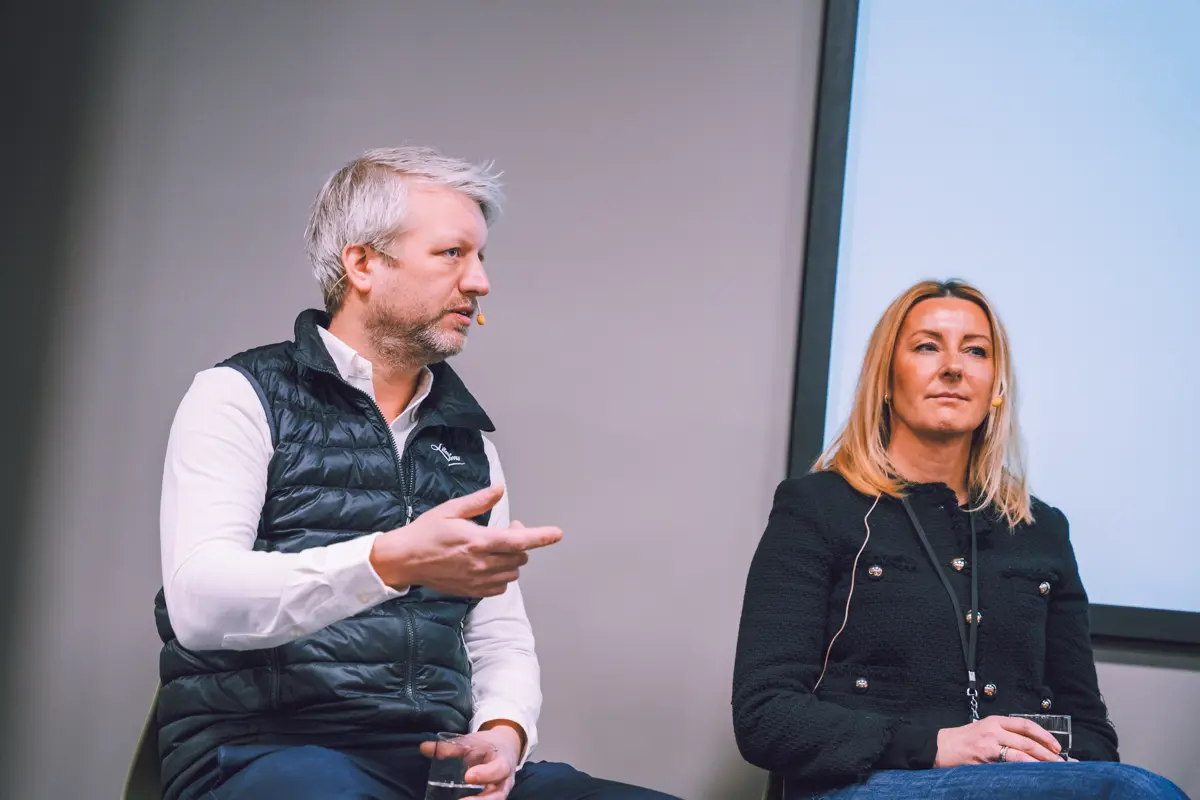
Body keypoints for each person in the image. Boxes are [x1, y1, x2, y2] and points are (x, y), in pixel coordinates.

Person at [155, 146, 679, 800]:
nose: (480, 282)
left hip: (425, 764)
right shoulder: (237, 396)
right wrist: (389, 562)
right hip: (259, 752)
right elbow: (201, 603)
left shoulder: (466, 441)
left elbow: (498, 635)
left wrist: (504, 731)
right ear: (363, 262)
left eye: (482, 257)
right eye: (453, 254)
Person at [731, 280, 1188, 799]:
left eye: (976, 351)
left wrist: (1040, 760)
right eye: (927, 346)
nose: (953, 366)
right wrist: (938, 746)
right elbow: (765, 715)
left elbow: (1090, 731)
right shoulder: (816, 507)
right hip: (863, 784)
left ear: (996, 385)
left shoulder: (1042, 529)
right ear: (885, 377)